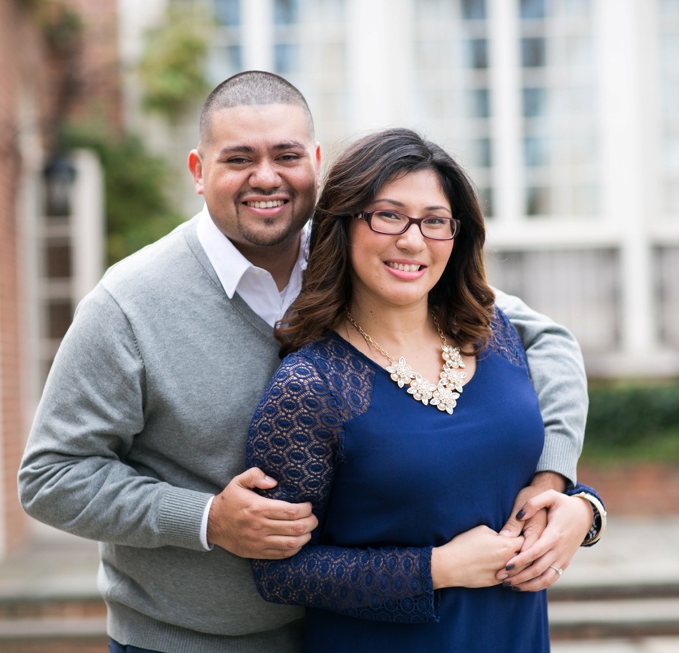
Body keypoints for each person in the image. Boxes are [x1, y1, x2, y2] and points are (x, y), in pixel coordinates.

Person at [18, 71, 589, 653]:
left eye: (286, 155)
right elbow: (50, 477)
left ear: (315, 162)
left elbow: (540, 340)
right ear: (197, 170)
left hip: (352, 628)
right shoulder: (130, 303)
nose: (266, 177)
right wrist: (204, 518)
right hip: (191, 639)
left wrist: (561, 486)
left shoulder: (367, 245)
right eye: (239, 158)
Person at [246, 127, 605, 653]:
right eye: (388, 215)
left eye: (435, 221)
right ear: (343, 225)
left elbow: (509, 479)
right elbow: (279, 574)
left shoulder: (496, 333)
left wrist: (584, 511)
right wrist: (438, 568)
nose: (413, 240)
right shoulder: (310, 386)